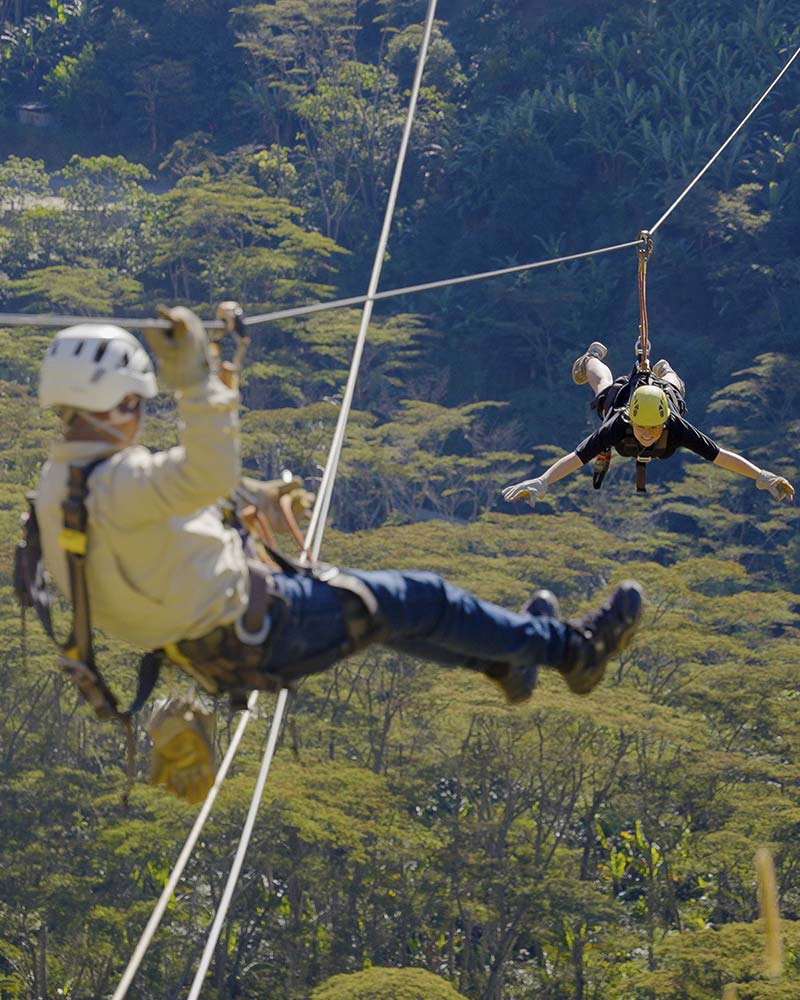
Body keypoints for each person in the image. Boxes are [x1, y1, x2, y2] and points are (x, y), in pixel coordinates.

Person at [33, 310, 644, 797]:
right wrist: (195, 380)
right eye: (137, 404)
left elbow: (160, 526)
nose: (139, 418)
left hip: (217, 642)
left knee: (385, 616)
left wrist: (238, 475)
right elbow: (206, 469)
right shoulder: (120, 483)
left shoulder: (61, 491)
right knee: (420, 598)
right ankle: (572, 651)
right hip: (263, 626)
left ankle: (506, 656)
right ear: (115, 405)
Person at [503, 341, 795, 507]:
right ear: (632, 420)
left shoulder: (675, 425)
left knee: (674, 386)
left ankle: (664, 369)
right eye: (643, 428)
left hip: (662, 397)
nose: (647, 433)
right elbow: (578, 457)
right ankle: (590, 357)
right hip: (624, 400)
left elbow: (719, 455)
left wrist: (761, 476)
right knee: (604, 385)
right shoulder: (618, 422)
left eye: (653, 429)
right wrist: (543, 482)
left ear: (663, 422)